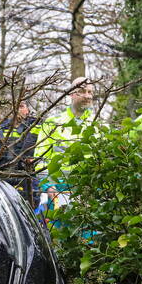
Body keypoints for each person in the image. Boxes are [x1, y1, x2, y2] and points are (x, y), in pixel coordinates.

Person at [32, 77, 97, 212]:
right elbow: (40, 159)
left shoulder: (97, 126)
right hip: (57, 192)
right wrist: (48, 186)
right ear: (71, 94)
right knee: (58, 231)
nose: (87, 96)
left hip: (87, 192)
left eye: (90, 92)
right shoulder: (52, 123)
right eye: (82, 91)